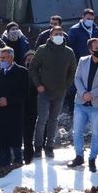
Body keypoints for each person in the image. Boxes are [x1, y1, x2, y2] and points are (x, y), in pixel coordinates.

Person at [67, 38, 98, 172]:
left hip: (97, 104)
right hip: (81, 102)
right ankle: (79, 156)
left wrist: (91, 94)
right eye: (96, 48)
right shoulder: (83, 61)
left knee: (96, 133)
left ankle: (92, 159)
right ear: (90, 50)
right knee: (77, 132)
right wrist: (83, 93)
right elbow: (77, 78)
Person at [29, 26, 76, 158]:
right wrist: (38, 85)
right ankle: (38, 147)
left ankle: (49, 146)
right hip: (44, 91)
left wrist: (66, 85)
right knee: (42, 119)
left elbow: (73, 70)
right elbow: (33, 68)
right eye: (56, 34)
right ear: (50, 36)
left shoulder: (69, 52)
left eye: (61, 33)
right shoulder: (42, 50)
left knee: (54, 120)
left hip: (60, 92)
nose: (59, 36)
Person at [0, 47, 28, 179]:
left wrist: (8, 100)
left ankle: (17, 166)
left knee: (15, 142)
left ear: (11, 57)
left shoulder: (22, 72)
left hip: (14, 113)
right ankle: (2, 169)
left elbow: (24, 93)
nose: (1, 60)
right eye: (0, 58)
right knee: (2, 143)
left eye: (3, 58)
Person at [22, 51, 38, 164]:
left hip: (38, 104)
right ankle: (28, 154)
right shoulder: (21, 73)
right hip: (24, 106)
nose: (30, 62)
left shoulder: (41, 73)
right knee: (27, 131)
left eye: (32, 59)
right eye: (28, 60)